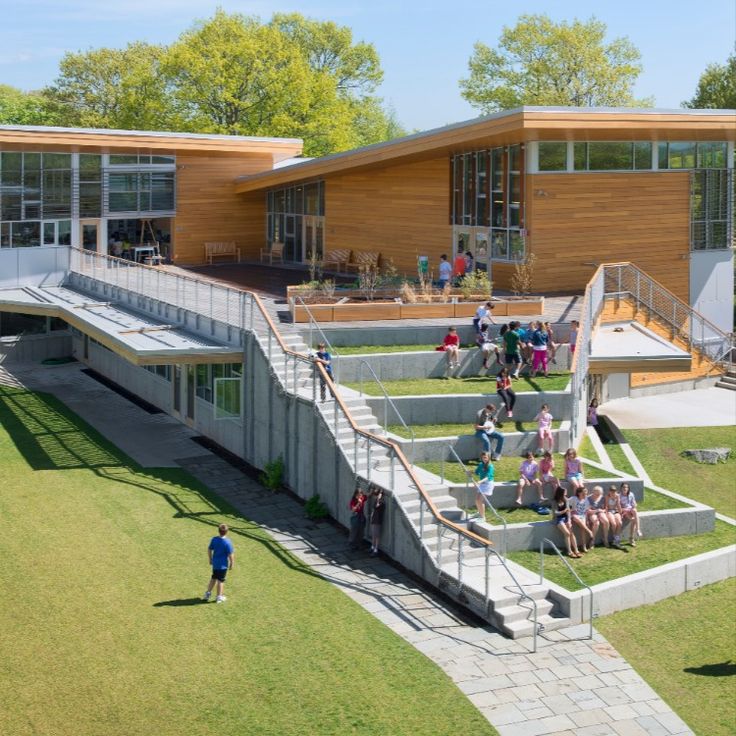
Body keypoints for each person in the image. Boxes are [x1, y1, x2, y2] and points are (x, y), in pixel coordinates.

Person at [204, 523, 234, 603]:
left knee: (213, 578)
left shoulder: (214, 539)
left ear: (218, 531)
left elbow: (209, 549)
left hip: (215, 564)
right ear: (227, 532)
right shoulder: (228, 542)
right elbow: (230, 554)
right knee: (221, 581)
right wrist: (232, 563)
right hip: (223, 566)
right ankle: (219, 597)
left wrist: (210, 559)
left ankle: (207, 594)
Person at [552, 486, 580, 558]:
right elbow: (555, 513)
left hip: (565, 518)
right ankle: (569, 551)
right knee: (567, 533)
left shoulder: (566, 500)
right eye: (564, 493)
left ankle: (576, 550)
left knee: (571, 533)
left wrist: (569, 520)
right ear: (560, 493)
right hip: (558, 519)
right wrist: (563, 511)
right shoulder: (554, 501)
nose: (566, 495)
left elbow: (568, 512)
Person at [569, 487, 594, 552]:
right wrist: (571, 510)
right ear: (579, 493)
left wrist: (587, 518)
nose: (585, 494)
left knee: (582, 528)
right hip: (575, 515)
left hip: (583, 516)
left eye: (586, 492)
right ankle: (589, 531)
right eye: (583, 492)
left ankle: (584, 546)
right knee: (576, 517)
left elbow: (587, 510)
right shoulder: (574, 498)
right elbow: (566, 504)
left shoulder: (586, 500)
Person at [472, 451, 495, 519]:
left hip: (488, 484)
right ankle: (479, 513)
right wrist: (470, 472)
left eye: (485, 457)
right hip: (482, 484)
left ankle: (483, 517)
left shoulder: (490, 466)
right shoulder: (480, 464)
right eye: (482, 457)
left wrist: (479, 482)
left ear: (488, 458)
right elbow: (476, 472)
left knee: (480, 500)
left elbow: (488, 477)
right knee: (477, 500)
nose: (484, 459)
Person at [368, 486, 386, 556]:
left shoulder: (382, 502)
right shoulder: (376, 501)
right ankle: (372, 547)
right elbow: (374, 508)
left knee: (377, 535)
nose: (375, 497)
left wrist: (379, 498)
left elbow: (377, 506)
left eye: (376, 495)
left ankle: (376, 550)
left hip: (378, 520)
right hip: (374, 519)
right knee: (373, 534)